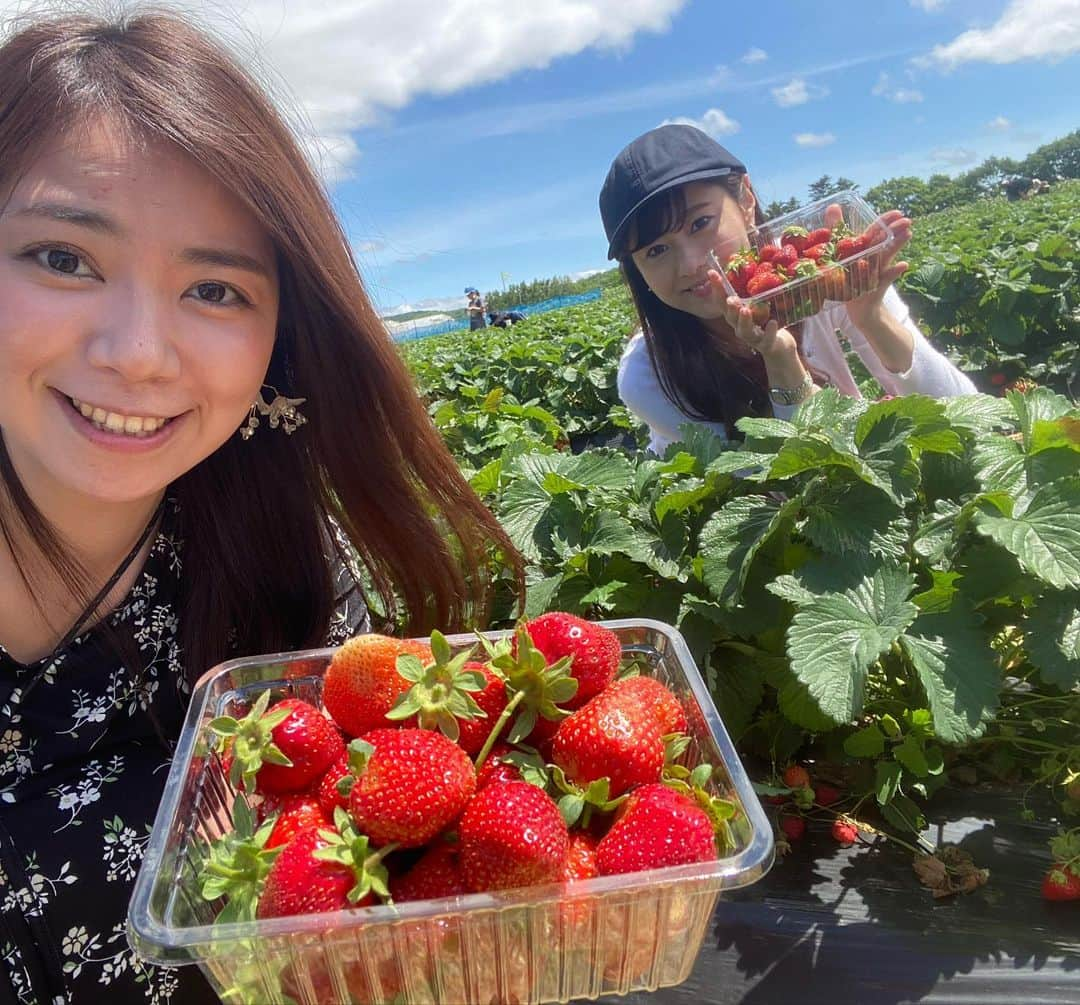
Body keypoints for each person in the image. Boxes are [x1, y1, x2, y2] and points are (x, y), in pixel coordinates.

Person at [0, 12, 520, 1004]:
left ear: (281, 336)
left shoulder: (302, 582)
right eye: (63, 258)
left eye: (214, 289)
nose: (141, 352)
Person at [599, 124, 976, 454]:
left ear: (746, 200)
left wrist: (871, 317)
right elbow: (795, 487)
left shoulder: (817, 271)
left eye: (700, 223)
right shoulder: (648, 375)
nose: (691, 264)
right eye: (656, 250)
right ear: (637, 270)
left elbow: (966, 413)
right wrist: (780, 359)